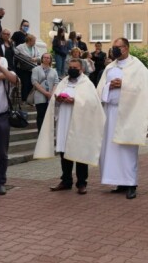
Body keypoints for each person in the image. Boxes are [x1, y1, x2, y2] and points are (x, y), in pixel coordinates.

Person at [34, 58, 105, 195]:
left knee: (79, 152)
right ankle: (66, 181)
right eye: (70, 67)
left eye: (75, 68)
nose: (72, 69)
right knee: (64, 152)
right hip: (64, 121)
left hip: (80, 124)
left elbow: (92, 103)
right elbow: (54, 98)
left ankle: (82, 183)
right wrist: (58, 99)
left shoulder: (87, 84)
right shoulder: (64, 82)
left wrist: (75, 101)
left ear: (82, 70)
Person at [97, 37, 148, 199]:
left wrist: (124, 85)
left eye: (119, 47)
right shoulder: (110, 67)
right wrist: (110, 86)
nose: (115, 50)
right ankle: (119, 182)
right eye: (113, 47)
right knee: (112, 150)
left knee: (127, 150)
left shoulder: (136, 66)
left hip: (129, 114)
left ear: (127, 48)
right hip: (111, 113)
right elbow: (100, 89)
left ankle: (131, 183)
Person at [0, 48, 17, 195]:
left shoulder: (6, 72)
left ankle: (0, 183)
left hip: (1, 117)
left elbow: (14, 80)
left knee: (2, 153)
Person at [31, 53, 59, 133]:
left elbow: (56, 82)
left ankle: (47, 132)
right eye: (45, 57)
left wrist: (52, 93)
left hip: (50, 96)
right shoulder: (36, 69)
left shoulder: (54, 70)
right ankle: (41, 132)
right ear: (42, 59)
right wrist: (45, 93)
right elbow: (34, 82)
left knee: (49, 115)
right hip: (40, 95)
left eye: (48, 58)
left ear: (50, 60)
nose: (46, 59)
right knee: (41, 114)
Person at [15, 34, 40, 102]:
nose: (34, 42)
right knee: (25, 83)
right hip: (23, 69)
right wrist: (24, 58)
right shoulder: (21, 46)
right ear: (29, 41)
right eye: (34, 41)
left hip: (32, 68)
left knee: (31, 84)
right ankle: (24, 99)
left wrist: (35, 59)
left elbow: (39, 56)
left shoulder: (35, 47)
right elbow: (15, 53)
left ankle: (28, 98)